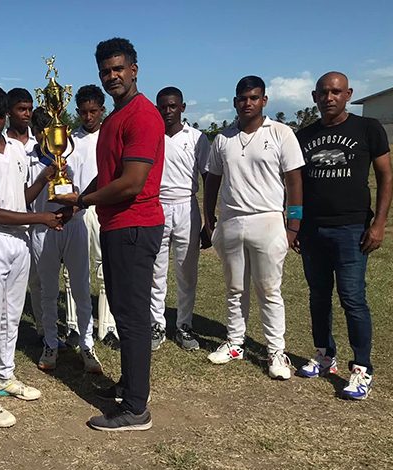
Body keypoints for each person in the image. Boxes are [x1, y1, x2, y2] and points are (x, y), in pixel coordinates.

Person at [55, 38, 164, 431]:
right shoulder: (116, 117)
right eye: (105, 70)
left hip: (136, 223)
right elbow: (111, 173)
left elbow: (132, 183)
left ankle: (136, 409)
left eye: (119, 68)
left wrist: (85, 200)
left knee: (132, 318)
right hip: (117, 224)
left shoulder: (142, 115)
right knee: (122, 309)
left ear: (134, 69)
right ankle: (129, 387)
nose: (112, 76)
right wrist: (79, 200)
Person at [0, 86, 62, 428]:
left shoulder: (17, 151)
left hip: (19, 241)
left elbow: (19, 197)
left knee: (12, 316)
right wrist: (42, 218)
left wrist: (45, 178)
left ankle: (6, 376)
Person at [295, 71, 393, 400]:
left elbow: (386, 177)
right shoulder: (305, 135)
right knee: (318, 297)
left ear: (348, 94)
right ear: (314, 96)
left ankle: (362, 368)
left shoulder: (368, 128)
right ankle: (325, 355)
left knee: (353, 299)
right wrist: (295, 224)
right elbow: (294, 186)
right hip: (312, 229)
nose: (329, 98)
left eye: (336, 92)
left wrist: (378, 223)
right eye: (323, 92)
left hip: (352, 229)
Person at [203, 76, 304, 380]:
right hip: (232, 220)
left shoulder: (281, 133)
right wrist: (208, 216)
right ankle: (235, 343)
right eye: (242, 98)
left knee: (269, 289)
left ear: (264, 101)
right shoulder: (223, 138)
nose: (248, 103)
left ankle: (276, 351)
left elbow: (295, 181)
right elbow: (212, 180)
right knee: (235, 288)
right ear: (235, 102)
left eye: (254, 98)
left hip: (269, 219)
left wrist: (294, 225)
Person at [28, 107, 102, 374]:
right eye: (45, 133)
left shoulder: (75, 153)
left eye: (55, 133)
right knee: (48, 290)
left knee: (81, 287)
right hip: (43, 228)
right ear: (37, 134)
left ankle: (86, 344)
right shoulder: (26, 159)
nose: (50, 138)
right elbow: (23, 199)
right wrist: (42, 178)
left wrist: (71, 211)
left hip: (74, 223)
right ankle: (50, 342)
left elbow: (85, 192)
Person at [150, 87, 210, 352]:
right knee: (156, 272)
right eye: (162, 106)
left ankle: (184, 325)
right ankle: (156, 326)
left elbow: (209, 178)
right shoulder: (152, 137)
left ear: (182, 107)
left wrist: (209, 219)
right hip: (158, 206)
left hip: (187, 206)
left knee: (186, 271)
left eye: (172, 106)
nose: (167, 111)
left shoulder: (197, 138)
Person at [70, 84, 118, 347]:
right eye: (83, 112)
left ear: (102, 109)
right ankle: (73, 325)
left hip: (102, 208)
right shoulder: (68, 139)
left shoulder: (109, 134)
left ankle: (107, 326)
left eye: (93, 111)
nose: (88, 117)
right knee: (74, 270)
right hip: (77, 209)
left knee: (104, 267)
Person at [6, 87, 47, 344]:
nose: (27, 114)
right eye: (22, 109)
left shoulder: (41, 143)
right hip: (11, 221)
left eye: (30, 109)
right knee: (13, 281)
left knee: (42, 279)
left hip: (40, 219)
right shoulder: (2, 145)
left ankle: (44, 329)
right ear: (9, 111)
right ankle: (10, 333)